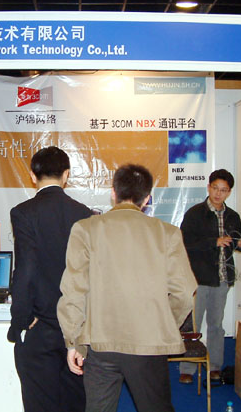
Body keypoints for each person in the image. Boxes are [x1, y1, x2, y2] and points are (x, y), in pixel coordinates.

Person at [57, 164, 197, 412]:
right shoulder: (168, 233)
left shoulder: (85, 229)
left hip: (100, 343)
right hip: (148, 343)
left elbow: (74, 292)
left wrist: (73, 342)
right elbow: (184, 293)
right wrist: (162, 324)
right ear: (147, 199)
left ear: (113, 193)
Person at [8, 146, 92, 412]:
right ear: (66, 175)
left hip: (40, 325)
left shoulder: (23, 212)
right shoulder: (84, 213)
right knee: (75, 401)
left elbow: (25, 269)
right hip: (76, 327)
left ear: (33, 176)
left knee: (40, 403)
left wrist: (20, 319)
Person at [179, 169, 241, 384]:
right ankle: (188, 368)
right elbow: (184, 244)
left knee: (216, 325)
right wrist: (213, 242)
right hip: (198, 279)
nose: (218, 194)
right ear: (208, 187)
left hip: (222, 278)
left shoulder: (233, 217)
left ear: (229, 192)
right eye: (215, 188)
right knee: (193, 325)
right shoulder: (195, 214)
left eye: (223, 190)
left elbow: (234, 243)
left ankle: (215, 367)